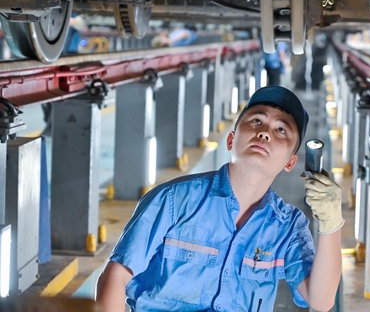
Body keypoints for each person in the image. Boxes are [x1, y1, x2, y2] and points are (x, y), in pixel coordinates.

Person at [96, 86, 343, 312]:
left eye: (281, 129)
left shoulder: (287, 227)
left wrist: (331, 223)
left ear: (290, 162)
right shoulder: (173, 201)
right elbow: (117, 275)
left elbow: (320, 300)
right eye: (257, 120)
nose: (265, 133)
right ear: (230, 139)